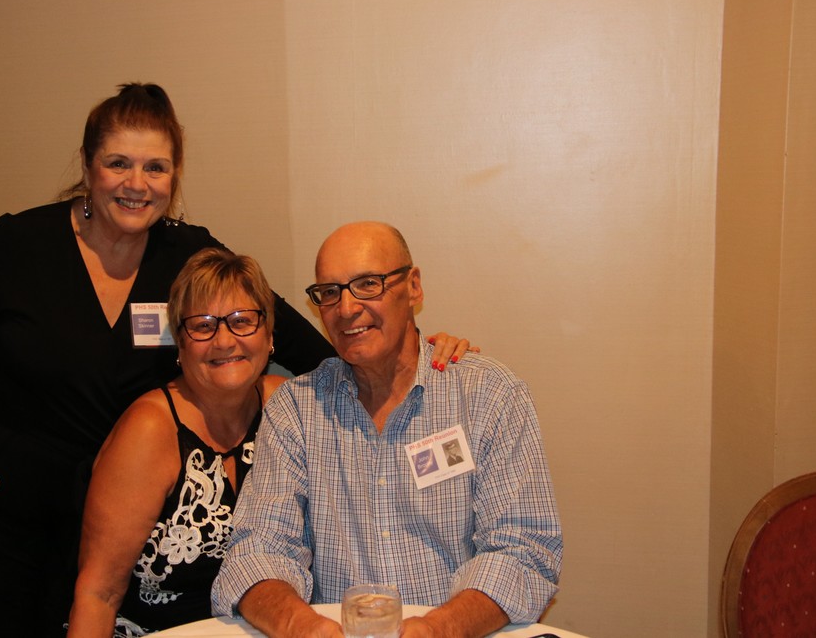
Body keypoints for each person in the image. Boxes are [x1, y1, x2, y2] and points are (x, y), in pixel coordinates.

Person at [0, 84, 471, 638]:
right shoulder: (15, 247)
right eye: (118, 163)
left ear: (174, 176)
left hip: (130, 521)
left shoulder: (187, 254)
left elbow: (322, 348)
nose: (137, 184)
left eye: (155, 167)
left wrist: (416, 350)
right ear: (87, 165)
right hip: (2, 510)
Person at [211, 221, 563, 638]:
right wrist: (300, 627)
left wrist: (438, 629)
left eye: (368, 284)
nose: (346, 308)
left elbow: (524, 550)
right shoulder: (297, 410)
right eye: (330, 292)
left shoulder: (488, 396)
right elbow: (256, 552)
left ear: (413, 287)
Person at [68, 248, 282, 637]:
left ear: (268, 335)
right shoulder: (149, 429)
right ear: (180, 345)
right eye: (202, 326)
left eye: (241, 321)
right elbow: (98, 594)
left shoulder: (287, 406)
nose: (224, 340)